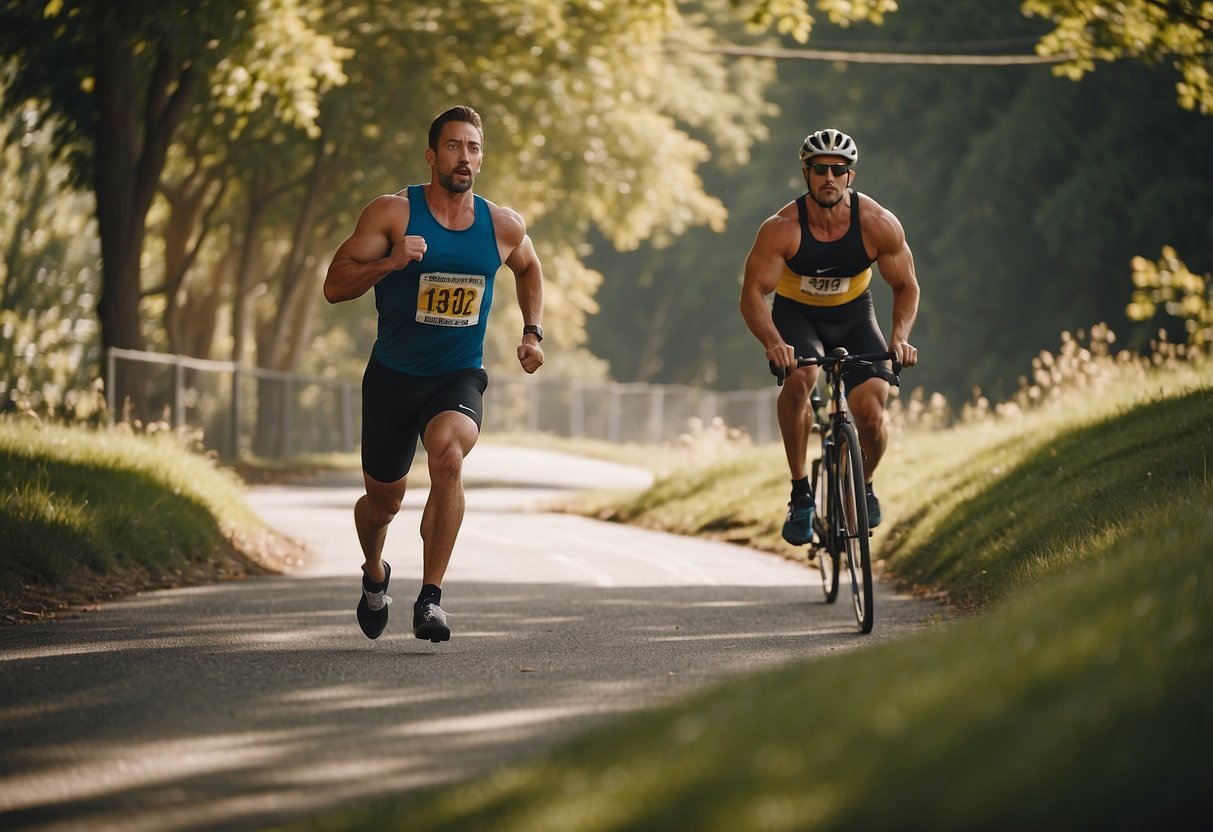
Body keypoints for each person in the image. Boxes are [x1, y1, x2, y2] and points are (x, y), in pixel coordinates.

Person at [323, 105, 545, 643]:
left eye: (473, 147)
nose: (464, 157)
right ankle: (375, 574)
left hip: (457, 374)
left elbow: (530, 266)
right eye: (453, 146)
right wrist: (390, 263)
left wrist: (532, 331)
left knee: (448, 454)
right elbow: (335, 285)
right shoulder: (392, 214)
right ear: (431, 156)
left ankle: (431, 598)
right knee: (383, 503)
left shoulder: (502, 225)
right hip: (392, 378)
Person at [740, 127, 919, 544]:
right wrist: (773, 342)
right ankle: (801, 493)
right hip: (797, 316)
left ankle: (864, 482)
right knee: (800, 379)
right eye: (820, 169)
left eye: (838, 170)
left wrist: (900, 338)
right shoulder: (781, 227)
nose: (829, 178)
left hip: (855, 315)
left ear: (850, 177)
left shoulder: (877, 224)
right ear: (806, 173)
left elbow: (906, 285)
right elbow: (752, 294)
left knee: (872, 412)